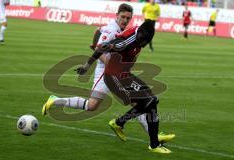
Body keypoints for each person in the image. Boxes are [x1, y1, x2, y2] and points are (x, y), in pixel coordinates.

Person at [42, 3, 175, 144]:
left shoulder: (122, 30)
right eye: (122, 17)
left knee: (138, 102)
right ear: (116, 15)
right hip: (105, 71)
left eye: (128, 18)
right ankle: (55, 101)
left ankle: (154, 136)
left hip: (115, 72)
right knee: (94, 106)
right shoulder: (111, 30)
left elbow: (97, 35)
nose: (125, 20)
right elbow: (99, 50)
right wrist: (107, 66)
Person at [75, 20, 172, 154]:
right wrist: (86, 66)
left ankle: (149, 141)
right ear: (139, 35)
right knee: (150, 101)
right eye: (142, 41)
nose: (143, 44)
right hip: (114, 77)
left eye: (145, 42)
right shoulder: (125, 41)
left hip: (124, 75)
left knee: (151, 101)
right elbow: (102, 47)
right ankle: (124, 125)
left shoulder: (142, 32)